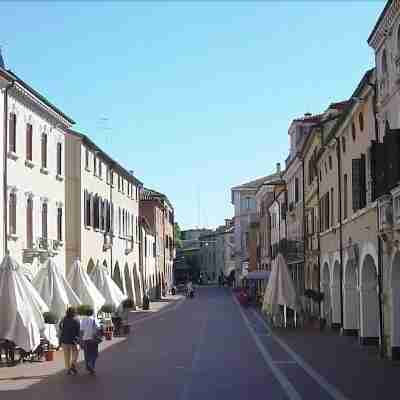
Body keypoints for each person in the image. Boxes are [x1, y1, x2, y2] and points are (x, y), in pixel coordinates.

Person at [59, 307, 80, 375]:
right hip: (73, 340)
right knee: (76, 352)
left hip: (64, 340)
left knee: (66, 356)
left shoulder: (64, 319)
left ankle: (68, 369)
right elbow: (78, 331)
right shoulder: (76, 320)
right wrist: (78, 338)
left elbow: (60, 327)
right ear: (74, 313)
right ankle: (73, 363)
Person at [80, 307, 102, 375]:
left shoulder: (83, 320)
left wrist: (81, 339)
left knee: (87, 354)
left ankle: (88, 366)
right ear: (92, 313)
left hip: (85, 339)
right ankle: (91, 365)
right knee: (95, 354)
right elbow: (98, 328)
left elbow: (81, 331)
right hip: (93, 339)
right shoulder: (94, 319)